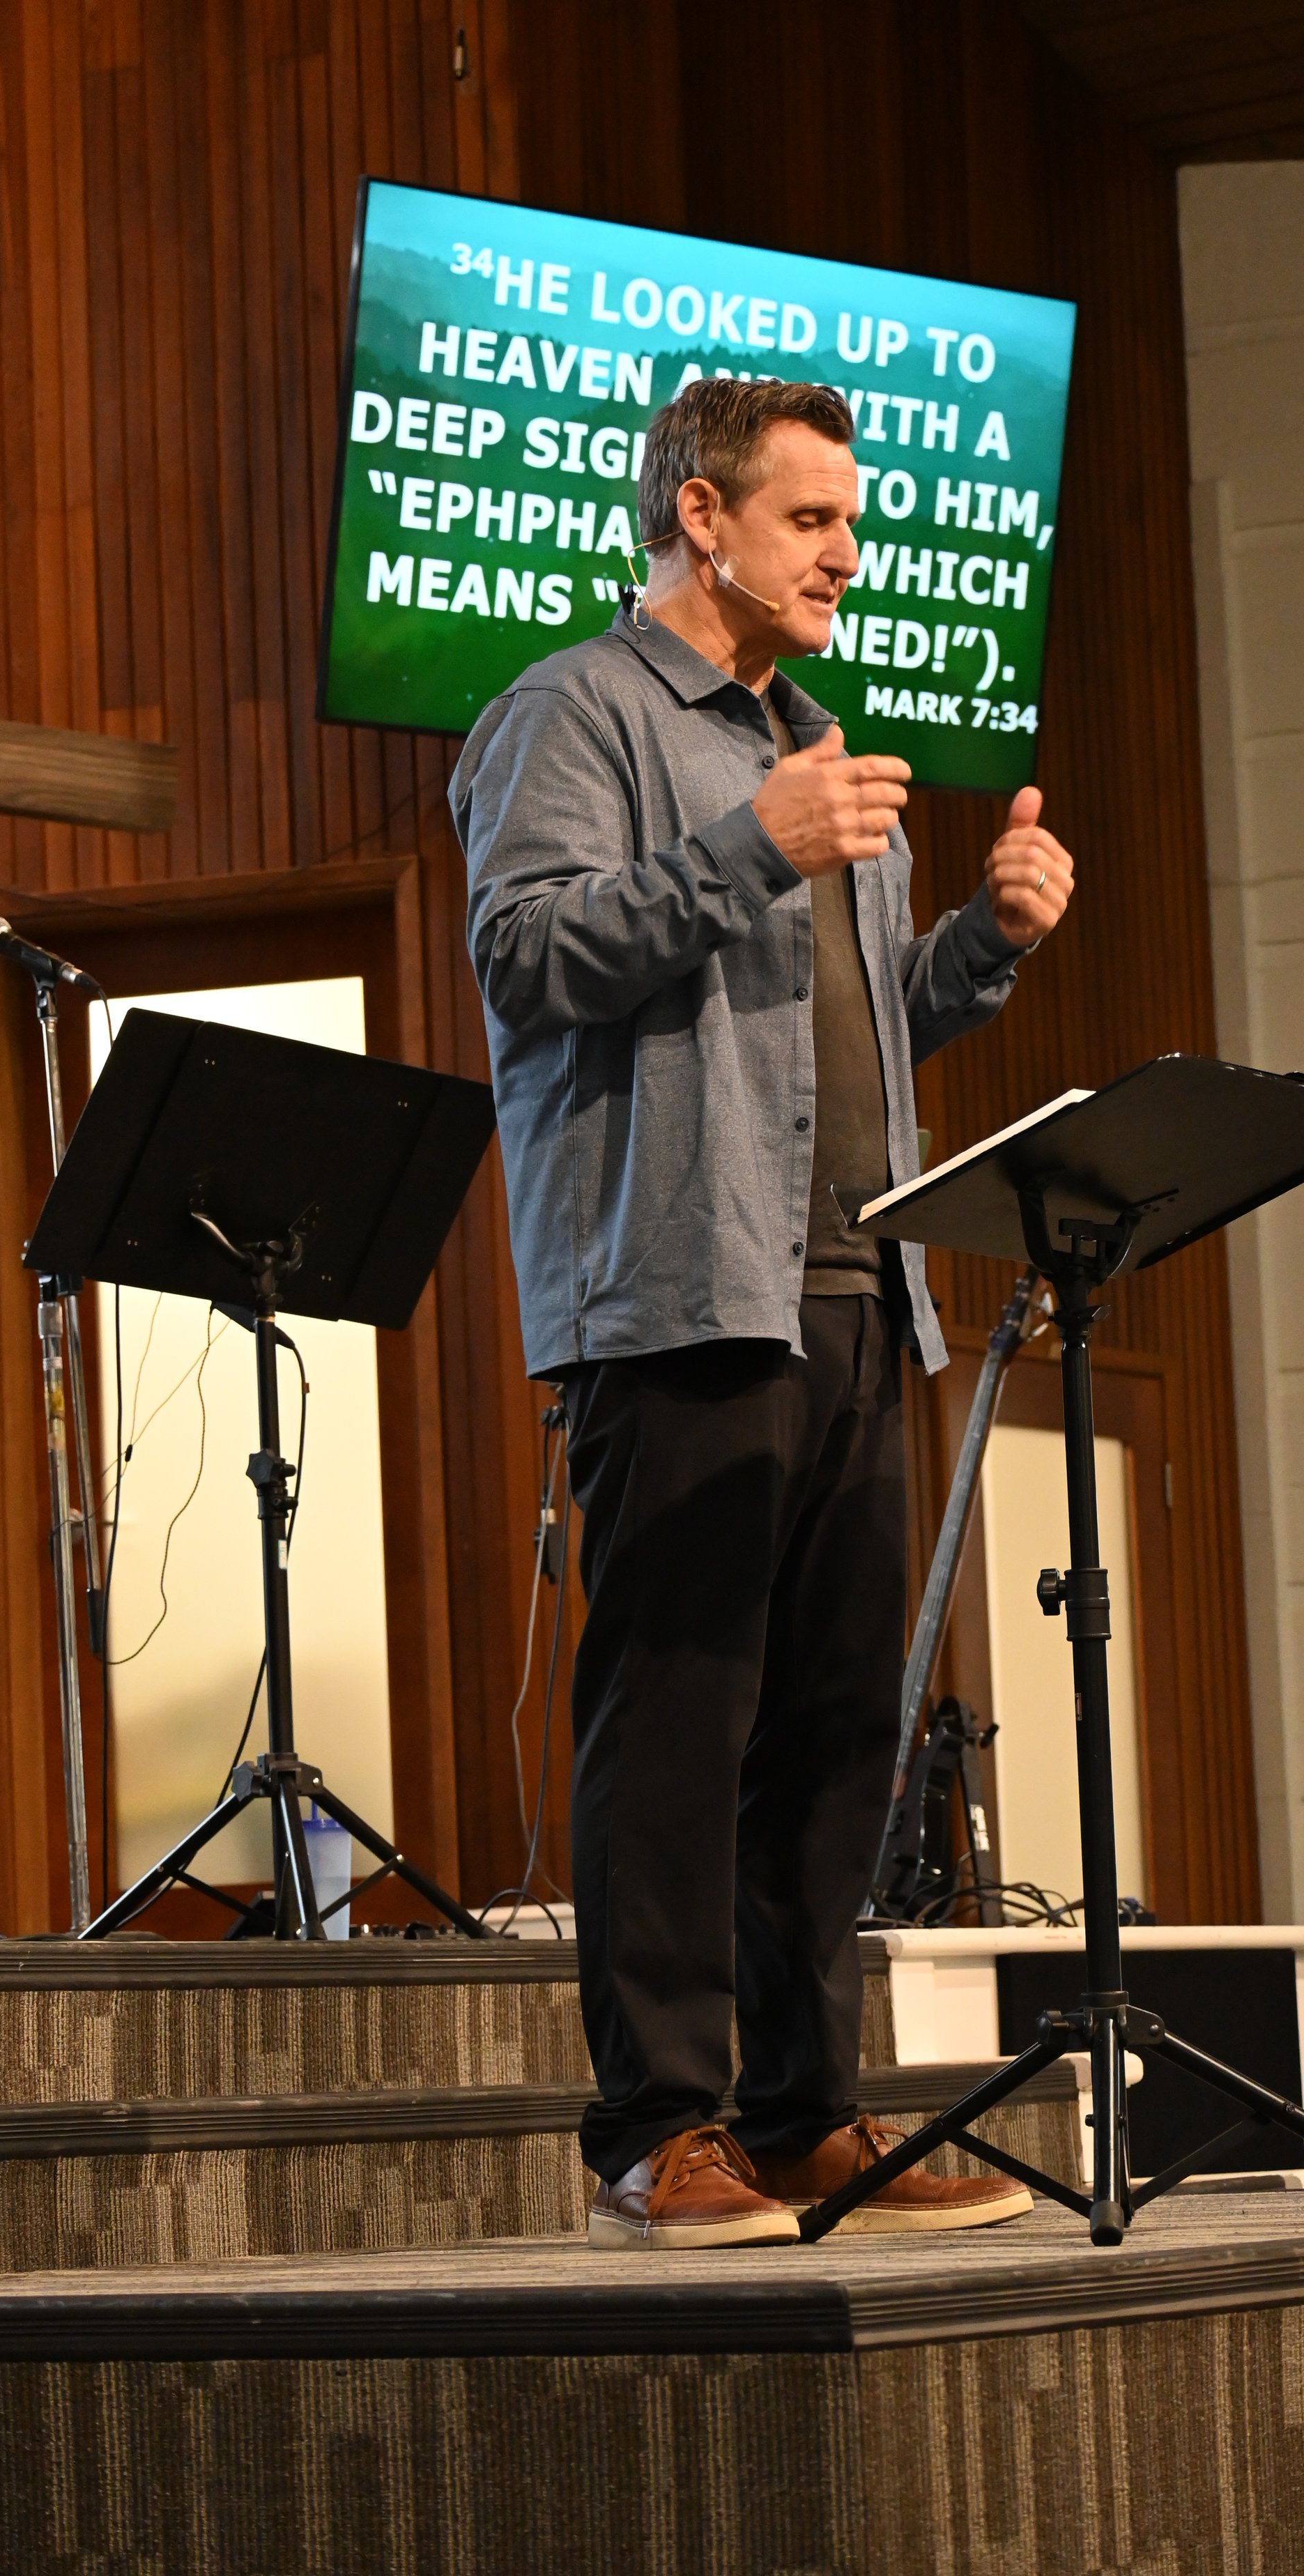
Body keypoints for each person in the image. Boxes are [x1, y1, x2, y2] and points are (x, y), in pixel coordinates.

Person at [452, 378, 1074, 2248]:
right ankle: (658, 2128)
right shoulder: (576, 712)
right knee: (679, 1719)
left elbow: (860, 1026)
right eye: (813, 522)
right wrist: (753, 846)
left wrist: (985, 944)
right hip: (676, 1295)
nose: (845, 557)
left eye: (851, 525)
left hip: (857, 1284)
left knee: (827, 1732)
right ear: (702, 520)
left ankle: (808, 2118)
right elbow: (525, 955)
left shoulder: (813, 738)